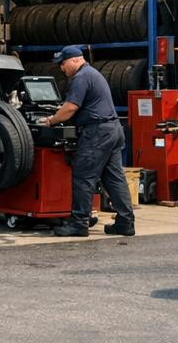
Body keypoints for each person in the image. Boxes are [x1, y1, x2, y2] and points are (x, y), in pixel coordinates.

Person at [40, 44, 135, 238]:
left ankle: (79, 223)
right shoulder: (93, 74)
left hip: (97, 132)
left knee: (83, 177)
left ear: (75, 59)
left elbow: (70, 108)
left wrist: (51, 120)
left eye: (63, 63)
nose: (61, 68)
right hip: (113, 129)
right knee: (114, 178)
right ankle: (126, 223)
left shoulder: (81, 77)